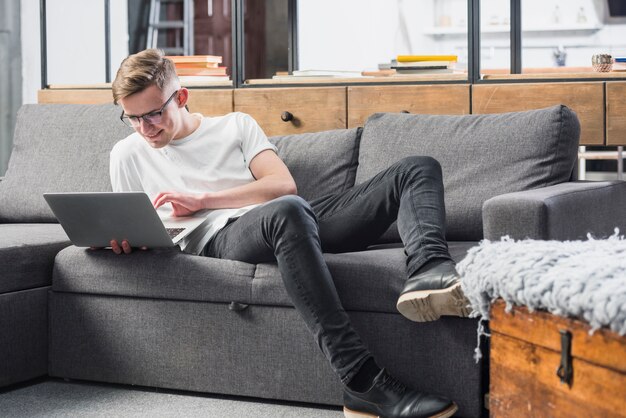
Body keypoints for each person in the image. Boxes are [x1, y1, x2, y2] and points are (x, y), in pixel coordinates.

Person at [108, 48, 469, 418]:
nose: (144, 129)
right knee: (287, 213)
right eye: (133, 118)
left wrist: (205, 198)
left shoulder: (235, 125)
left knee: (416, 169)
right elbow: (135, 225)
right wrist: (125, 242)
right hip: (219, 238)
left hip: (287, 219)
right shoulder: (127, 154)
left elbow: (282, 185)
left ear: (180, 97)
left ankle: (431, 272)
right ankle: (361, 380)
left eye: (153, 114)